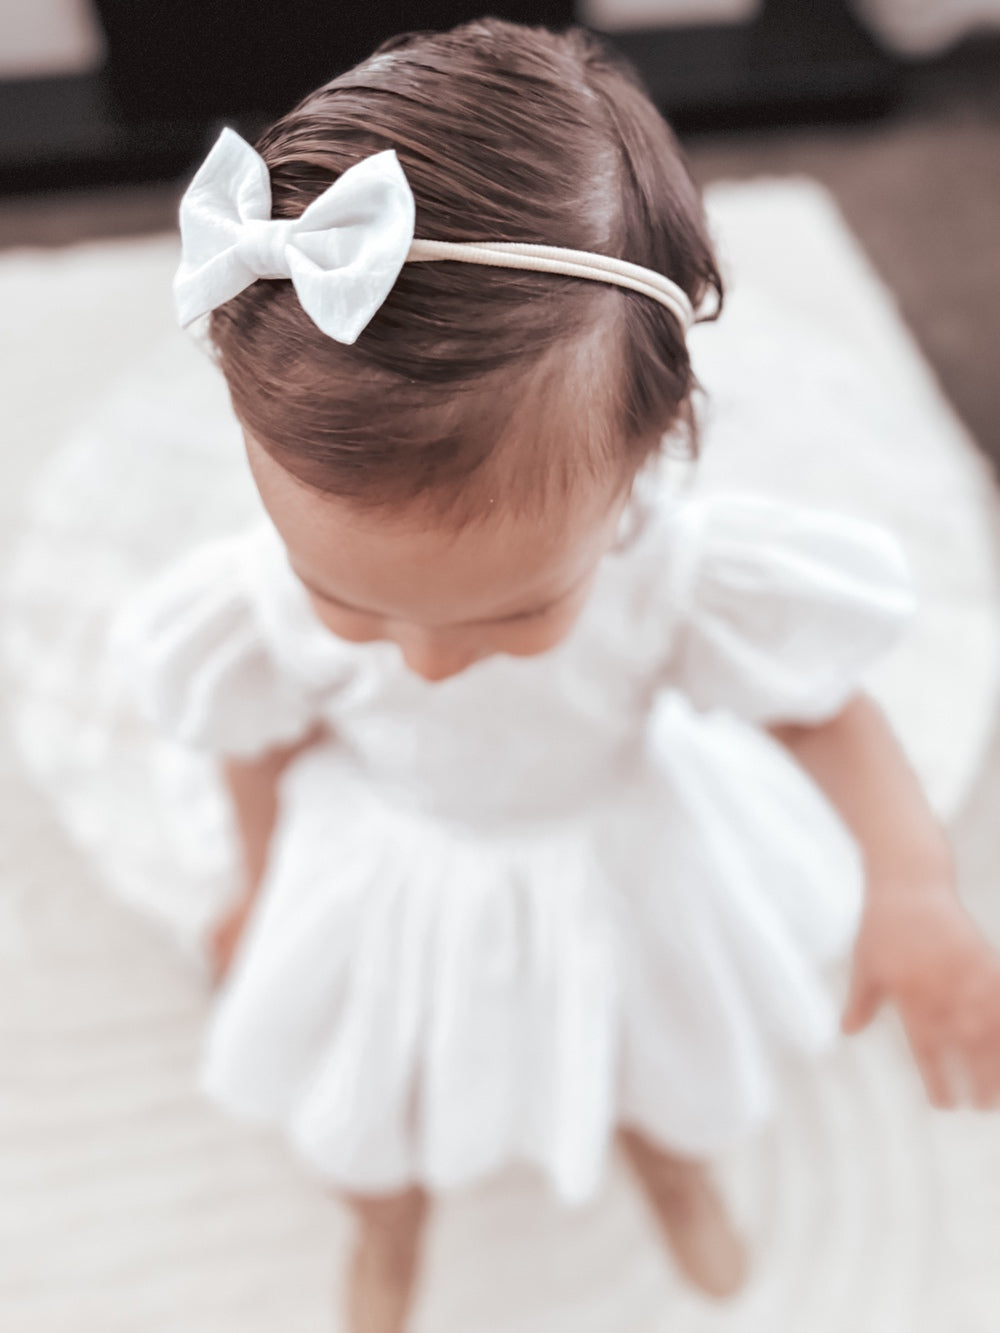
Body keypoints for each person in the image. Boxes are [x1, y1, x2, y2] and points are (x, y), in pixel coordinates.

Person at [33, 19, 1000, 1333]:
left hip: (619, 855)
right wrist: (258, 883)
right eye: (347, 598)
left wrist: (913, 884)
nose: (427, 658)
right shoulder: (255, 601)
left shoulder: (678, 576)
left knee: (661, 1049)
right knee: (364, 1099)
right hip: (386, 861)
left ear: (650, 450)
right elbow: (255, 741)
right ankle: (387, 1214)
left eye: (515, 605)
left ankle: (667, 1151)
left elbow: (822, 709)